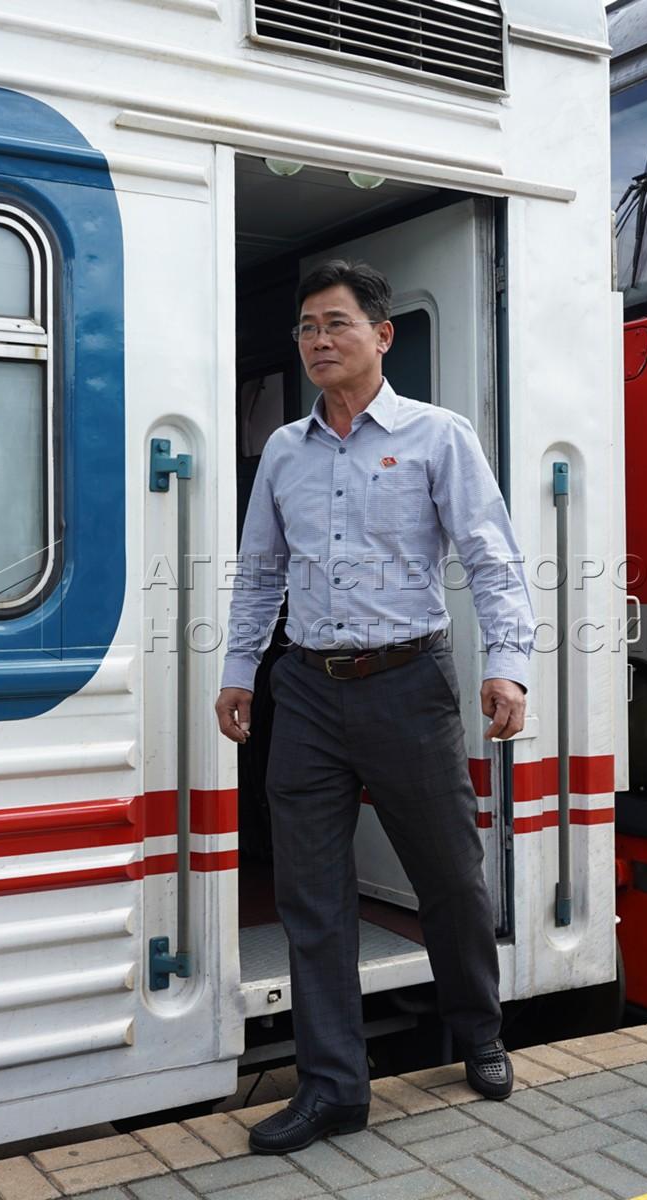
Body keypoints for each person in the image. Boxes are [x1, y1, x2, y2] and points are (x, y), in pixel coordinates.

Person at [215, 259, 535, 1154]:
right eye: (306, 328)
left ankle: (476, 1030)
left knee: (449, 877)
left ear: (382, 335)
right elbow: (261, 572)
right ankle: (333, 1088)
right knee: (312, 897)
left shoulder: (437, 436)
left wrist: (507, 665)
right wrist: (240, 669)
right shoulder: (285, 452)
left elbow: (491, 557)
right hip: (306, 690)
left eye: (336, 324)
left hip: (408, 685)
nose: (318, 341)